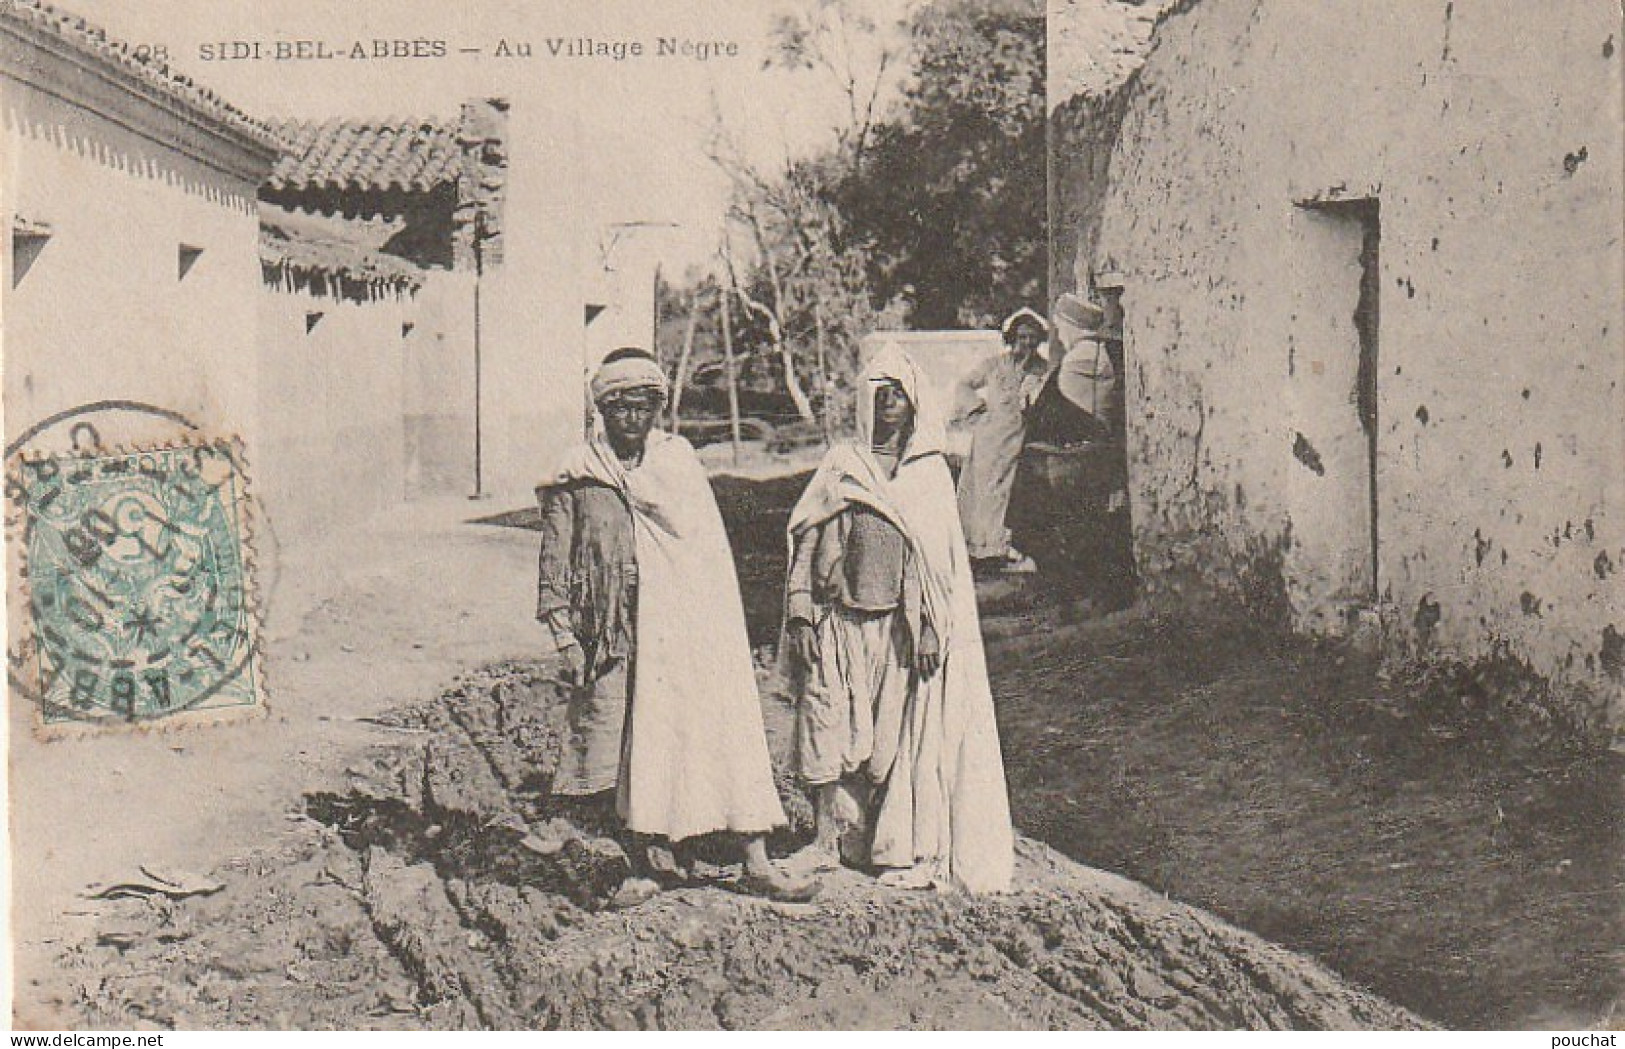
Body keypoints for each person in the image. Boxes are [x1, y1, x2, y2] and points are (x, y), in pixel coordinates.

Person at [536, 347, 817, 905]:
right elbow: (556, 558)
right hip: (620, 632)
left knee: (721, 728)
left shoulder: (677, 461)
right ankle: (644, 863)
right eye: (620, 409)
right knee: (636, 745)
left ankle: (755, 859)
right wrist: (564, 632)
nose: (632, 420)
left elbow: (701, 549)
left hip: (693, 626)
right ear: (603, 411)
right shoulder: (578, 471)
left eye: (642, 407)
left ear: (657, 409)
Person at [782, 342, 1014, 893]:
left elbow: (935, 565)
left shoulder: (928, 475)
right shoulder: (844, 464)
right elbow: (807, 532)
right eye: (878, 393)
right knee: (826, 725)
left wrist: (931, 626)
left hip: (896, 629)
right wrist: (800, 608)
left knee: (886, 744)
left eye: (898, 395)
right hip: (838, 621)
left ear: (914, 404)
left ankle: (879, 839)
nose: (888, 403)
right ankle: (822, 841)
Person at [953, 307, 1052, 573]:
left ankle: (998, 549)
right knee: (982, 490)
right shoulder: (994, 365)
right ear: (1012, 338)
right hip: (989, 436)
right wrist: (978, 407)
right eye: (1021, 337)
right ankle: (977, 549)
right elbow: (963, 385)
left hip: (1018, 436)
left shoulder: (1043, 368)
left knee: (1004, 491)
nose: (1027, 344)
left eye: (1032, 338)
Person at [1025, 293, 1117, 450]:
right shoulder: (1095, 350)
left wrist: (1033, 394)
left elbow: (1066, 411)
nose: (1059, 336)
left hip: (1085, 447)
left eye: (1059, 328)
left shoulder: (1079, 357)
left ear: (1070, 326)